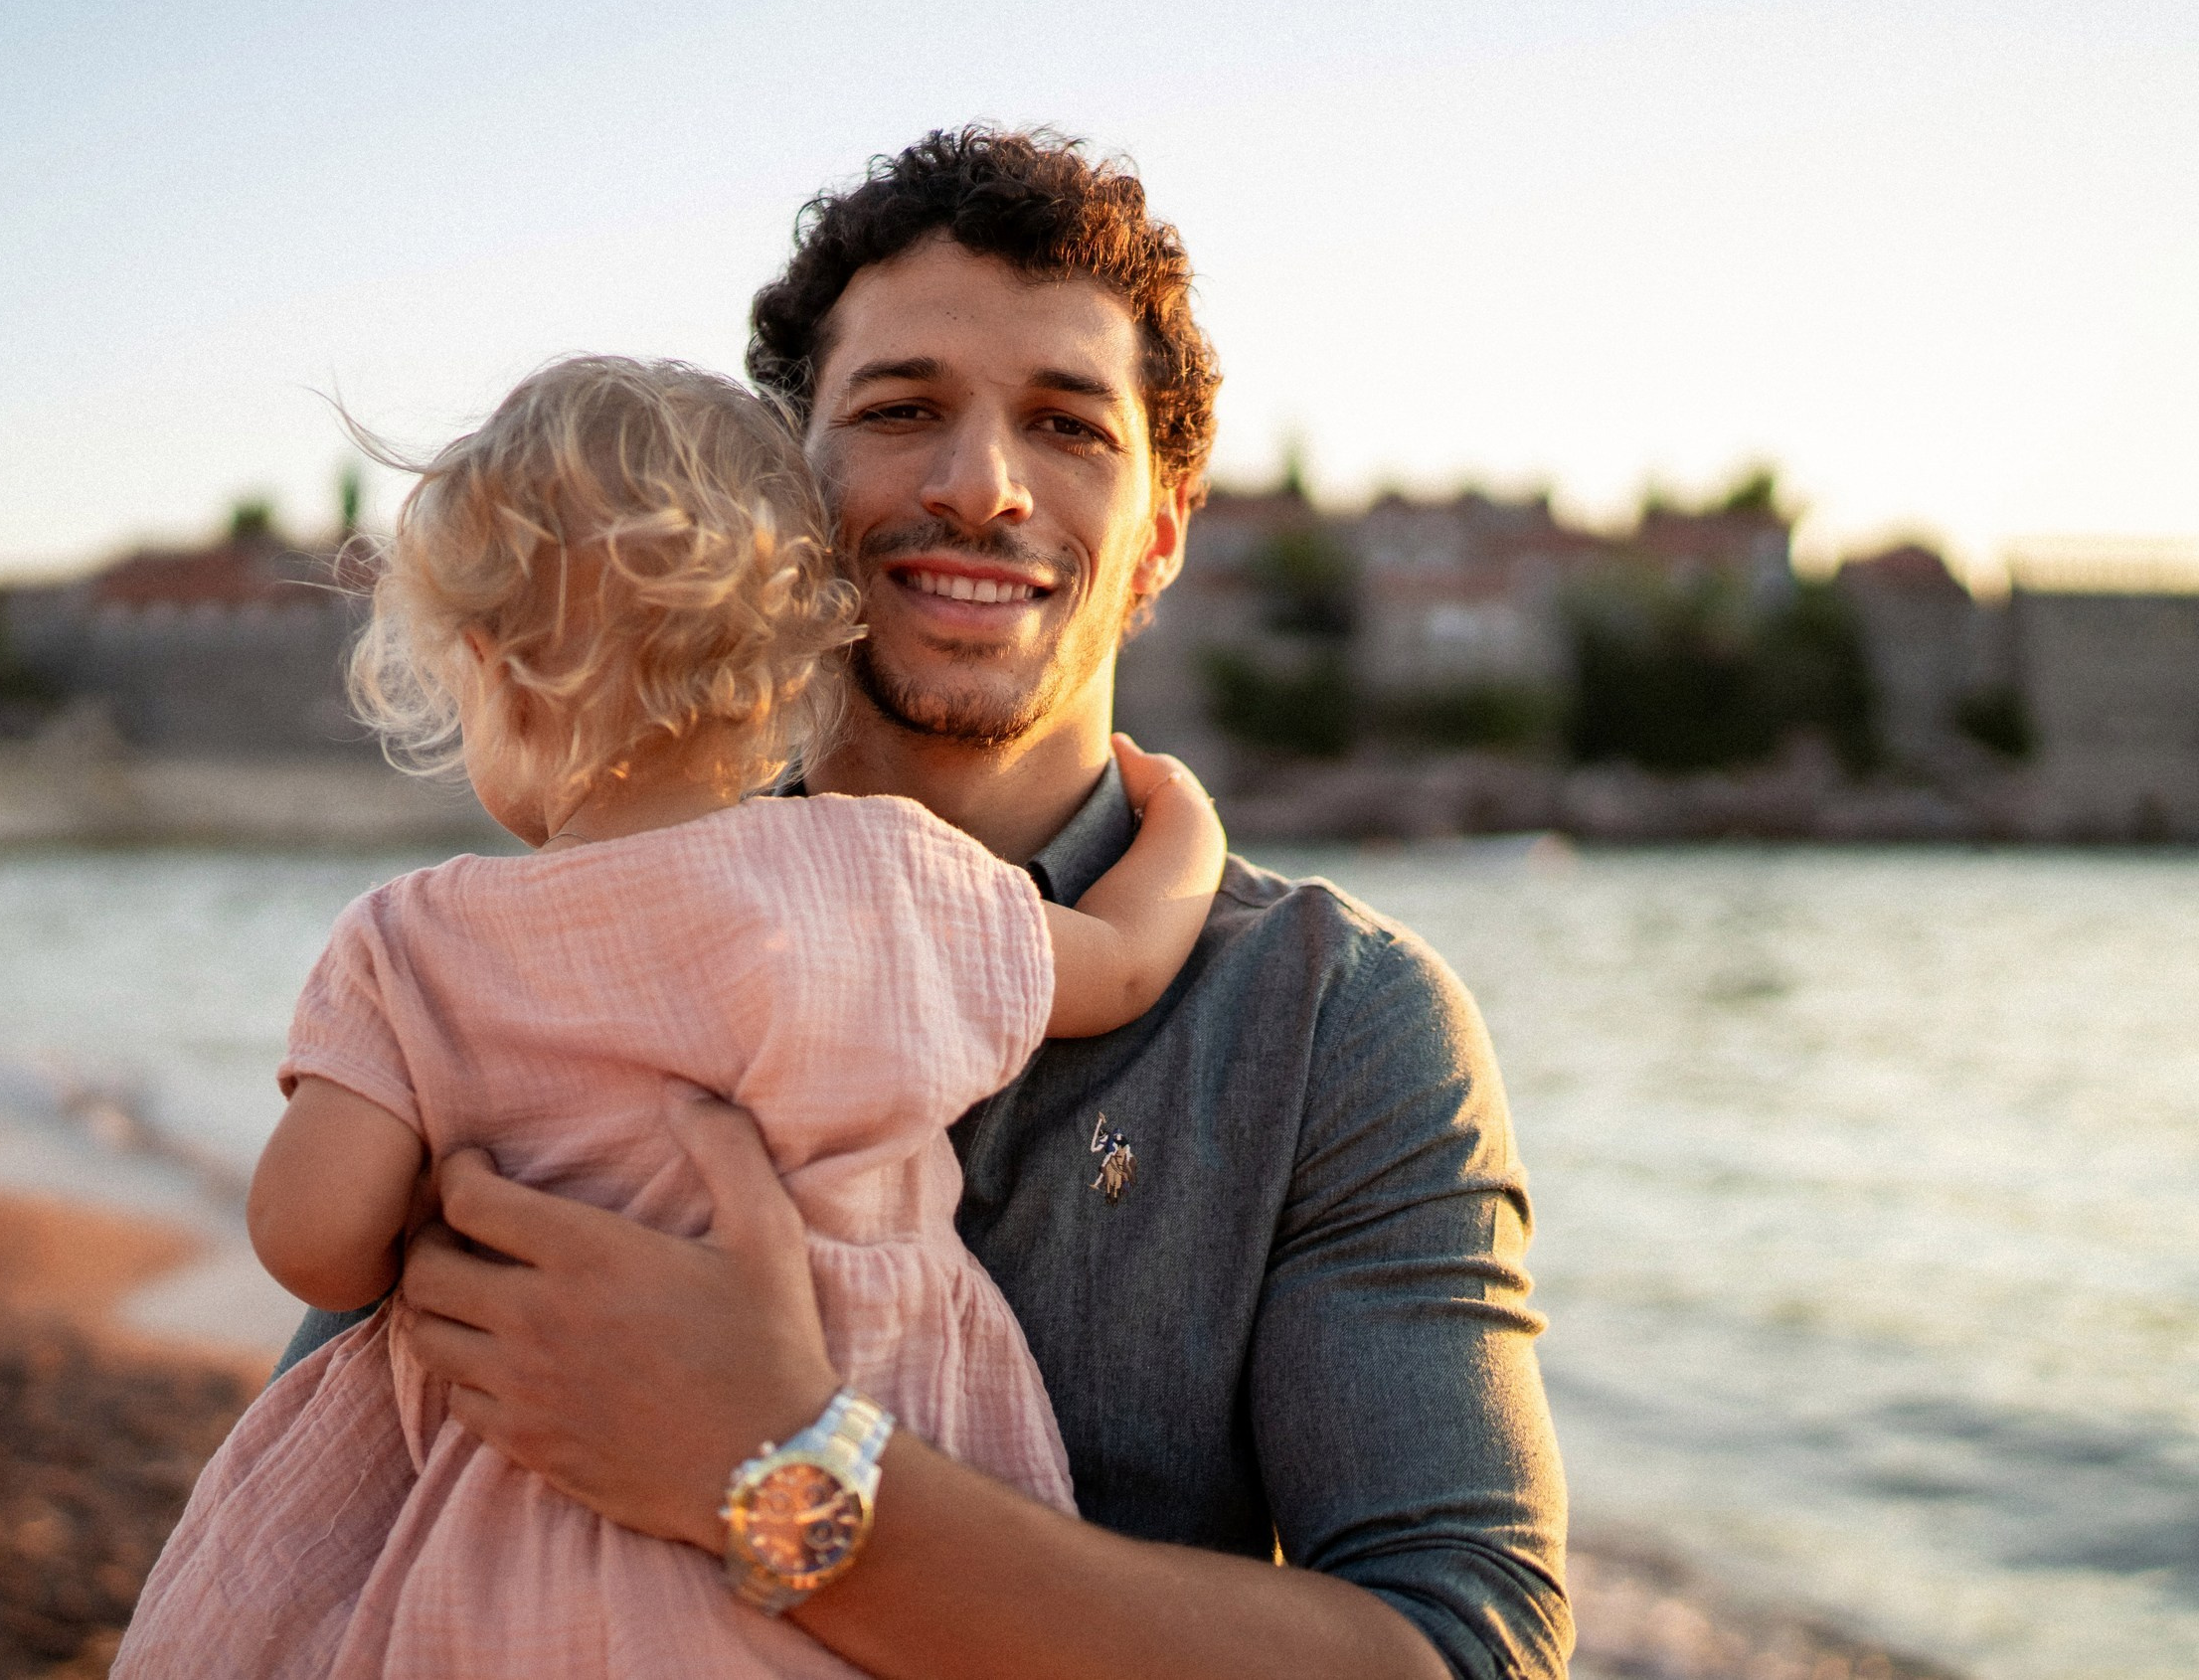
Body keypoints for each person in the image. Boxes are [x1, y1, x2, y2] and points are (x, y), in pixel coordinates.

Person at [280, 127, 1572, 1680]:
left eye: (1068, 426)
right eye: (901, 411)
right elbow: (350, 1456)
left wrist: (776, 1470)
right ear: (775, 492)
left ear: (1161, 530)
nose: (979, 485)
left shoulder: (1334, 1023)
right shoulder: (549, 952)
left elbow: (1469, 1650)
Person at [114, 355, 1231, 1678]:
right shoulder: (888, 873)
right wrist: (1189, 838)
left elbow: (314, 1246)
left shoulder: (410, 943)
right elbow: (1122, 963)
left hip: (518, 1530)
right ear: (788, 666)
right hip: (867, 1539)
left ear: (489, 668)